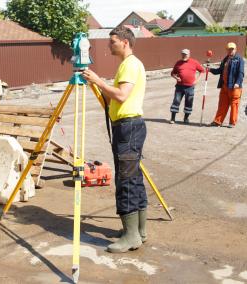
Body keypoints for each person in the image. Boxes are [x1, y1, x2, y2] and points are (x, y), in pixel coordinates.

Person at [82, 26, 147, 253]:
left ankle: (131, 237)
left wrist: (98, 81)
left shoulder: (129, 64)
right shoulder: (130, 64)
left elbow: (121, 95)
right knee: (134, 178)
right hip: (129, 127)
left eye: (112, 41)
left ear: (125, 42)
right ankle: (138, 230)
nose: (110, 45)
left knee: (126, 181)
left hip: (128, 128)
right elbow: (118, 97)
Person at [209, 42, 245, 128]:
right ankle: (218, 121)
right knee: (222, 104)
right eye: (229, 49)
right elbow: (219, 71)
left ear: (235, 49)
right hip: (224, 86)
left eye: (232, 49)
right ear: (227, 50)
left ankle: (232, 123)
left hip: (234, 87)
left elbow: (241, 73)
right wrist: (210, 69)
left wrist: (237, 83)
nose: (230, 51)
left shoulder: (239, 59)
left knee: (234, 104)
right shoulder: (225, 59)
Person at [169, 49, 205, 124]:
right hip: (179, 86)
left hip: (190, 87)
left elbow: (202, 71)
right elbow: (172, 73)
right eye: (182, 54)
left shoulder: (194, 62)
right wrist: (176, 78)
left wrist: (197, 80)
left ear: (189, 54)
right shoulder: (178, 63)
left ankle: (186, 118)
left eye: (185, 54)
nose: (184, 56)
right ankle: (173, 118)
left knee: (189, 102)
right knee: (176, 101)